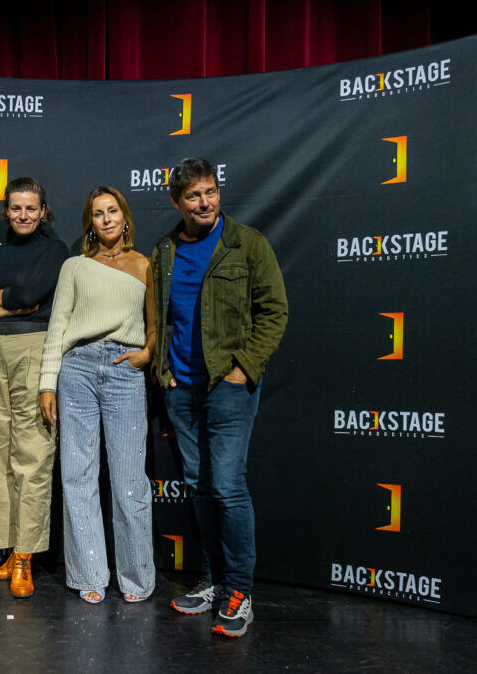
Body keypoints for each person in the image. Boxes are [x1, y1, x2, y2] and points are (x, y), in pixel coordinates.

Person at [153, 157, 287, 637]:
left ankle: (240, 591)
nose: (204, 201)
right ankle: (212, 581)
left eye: (210, 191)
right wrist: (162, 371)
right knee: (200, 485)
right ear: (177, 201)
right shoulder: (165, 250)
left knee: (228, 486)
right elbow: (158, 316)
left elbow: (275, 312)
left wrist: (241, 370)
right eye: (193, 195)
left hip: (228, 386)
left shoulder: (247, 244)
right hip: (181, 389)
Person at [38, 185, 156, 605]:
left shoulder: (146, 265)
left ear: (125, 216)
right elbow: (58, 325)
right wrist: (47, 382)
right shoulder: (75, 266)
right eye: (97, 213)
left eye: (112, 210)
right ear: (90, 222)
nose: (106, 219)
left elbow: (158, 323)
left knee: (129, 482)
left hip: (125, 370)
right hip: (78, 368)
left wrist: (146, 353)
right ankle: (89, 572)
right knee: (78, 476)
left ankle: (136, 578)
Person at [0, 177, 68, 599]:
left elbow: (32, 293)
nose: (24, 215)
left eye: (31, 208)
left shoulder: (56, 250)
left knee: (33, 453)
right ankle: (9, 549)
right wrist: (2, 303)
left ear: (43, 211)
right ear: (6, 212)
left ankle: (27, 554)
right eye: (16, 208)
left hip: (34, 348)